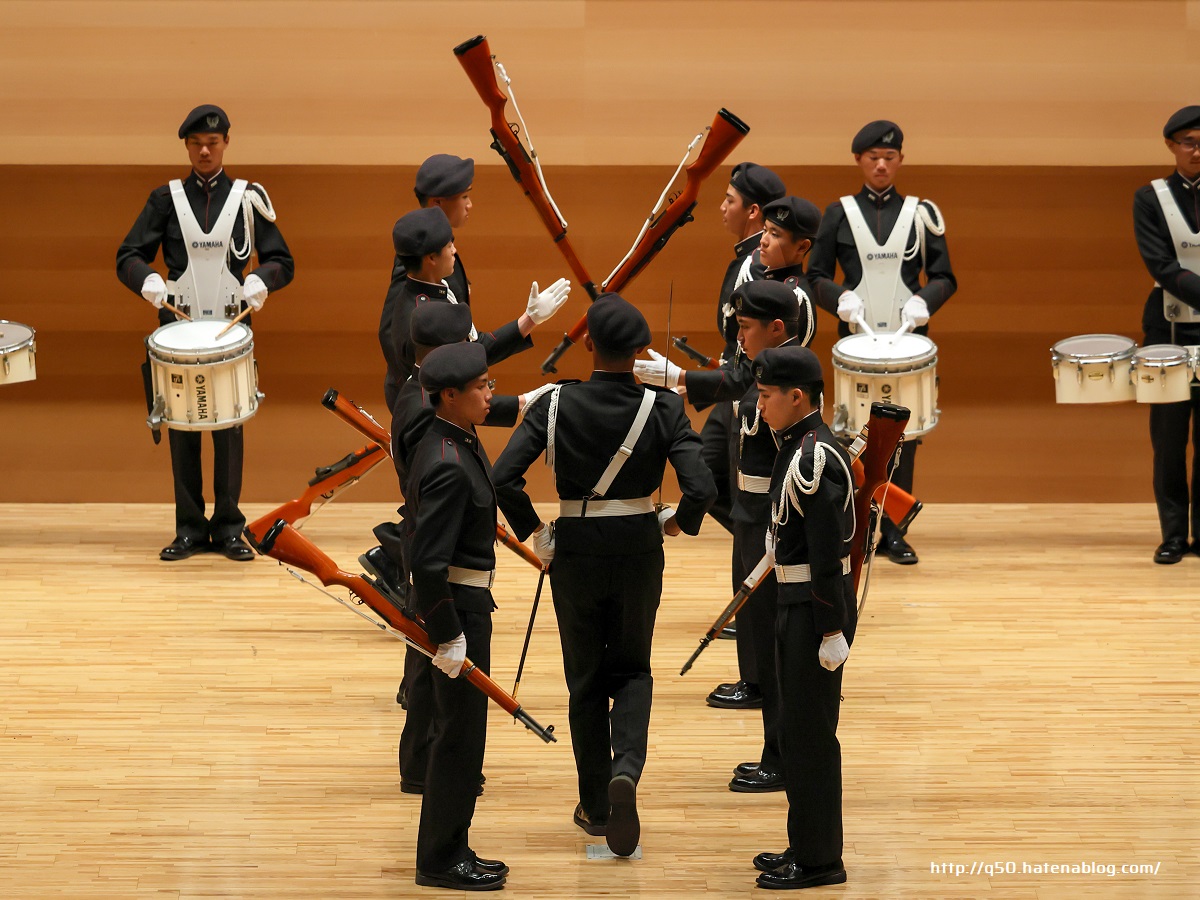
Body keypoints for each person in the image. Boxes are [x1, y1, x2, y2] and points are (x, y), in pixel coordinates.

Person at [492, 294, 716, 857]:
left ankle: (594, 804)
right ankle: (626, 769)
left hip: (575, 551)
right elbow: (703, 488)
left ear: (588, 342)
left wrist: (536, 534)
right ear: (641, 352)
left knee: (585, 680)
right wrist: (677, 523)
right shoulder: (663, 407)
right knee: (634, 670)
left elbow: (502, 479)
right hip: (639, 548)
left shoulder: (554, 403)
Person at [636, 196, 821, 718]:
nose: (764, 239)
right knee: (743, 554)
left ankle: (762, 682)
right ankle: (755, 676)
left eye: (777, 235)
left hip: (766, 438)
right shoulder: (763, 287)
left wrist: (681, 379)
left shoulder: (793, 303)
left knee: (756, 570)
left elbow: (757, 371)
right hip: (745, 426)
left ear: (801, 247)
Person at [361, 203, 568, 599]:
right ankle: (401, 569)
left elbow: (468, 359)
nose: (456, 249)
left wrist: (528, 321)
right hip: (449, 587)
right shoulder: (418, 319)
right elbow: (454, 392)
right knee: (444, 514)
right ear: (429, 257)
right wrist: (520, 404)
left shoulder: (435, 300)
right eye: (449, 245)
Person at [116, 104, 294, 561]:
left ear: (226, 143)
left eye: (212, 143)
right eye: (195, 143)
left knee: (229, 426)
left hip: (232, 329)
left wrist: (262, 280)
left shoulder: (248, 198)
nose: (204, 150)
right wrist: (148, 281)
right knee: (182, 427)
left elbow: (282, 261)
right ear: (186, 147)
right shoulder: (165, 199)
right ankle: (190, 528)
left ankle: (230, 527)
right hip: (180, 325)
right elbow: (129, 255)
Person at [391, 302, 546, 792]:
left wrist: (518, 403)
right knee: (431, 677)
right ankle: (426, 767)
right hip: (442, 559)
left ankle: (427, 765)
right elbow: (441, 475)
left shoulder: (427, 398)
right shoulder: (427, 425)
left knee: (428, 671)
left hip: (441, 544)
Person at [808, 120, 956, 565]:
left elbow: (945, 277)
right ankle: (858, 529)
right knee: (853, 433)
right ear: (858, 160)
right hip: (857, 346)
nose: (881, 164)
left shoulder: (921, 213)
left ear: (901, 161)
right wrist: (840, 301)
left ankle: (894, 530)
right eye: (873, 156)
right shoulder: (837, 213)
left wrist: (924, 303)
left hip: (906, 346)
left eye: (889, 157)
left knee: (903, 436)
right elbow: (815, 276)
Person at [749, 345, 854, 890]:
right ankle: (804, 842)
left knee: (811, 739)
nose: (759, 406)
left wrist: (832, 628)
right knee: (794, 732)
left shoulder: (814, 455)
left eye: (766, 397)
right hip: (794, 603)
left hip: (815, 612)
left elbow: (827, 554)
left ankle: (819, 861)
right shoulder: (796, 444)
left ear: (796, 397)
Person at [406, 341, 509, 891]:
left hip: (468, 605)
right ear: (450, 395)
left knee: (465, 737)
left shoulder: (453, 438)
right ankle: (441, 859)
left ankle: (454, 844)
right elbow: (427, 562)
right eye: (482, 387)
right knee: (459, 740)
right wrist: (448, 636)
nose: (491, 394)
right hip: (459, 610)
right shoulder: (447, 463)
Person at [1134, 106, 1200, 564]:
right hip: (1168, 331)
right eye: (1188, 142)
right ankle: (1174, 534)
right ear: (1171, 146)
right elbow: (1161, 266)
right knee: (1170, 440)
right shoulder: (1150, 197)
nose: (1197, 150)